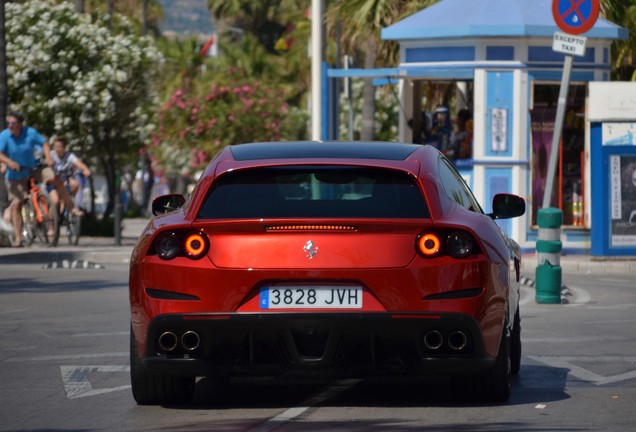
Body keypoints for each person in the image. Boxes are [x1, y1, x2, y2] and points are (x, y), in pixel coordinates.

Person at [0, 112, 83, 247]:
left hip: (33, 167)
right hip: (16, 173)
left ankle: (71, 208)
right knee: (16, 205)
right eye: (8, 123)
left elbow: (44, 142)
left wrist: (48, 157)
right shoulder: (4, 136)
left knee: (54, 178)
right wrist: (9, 162)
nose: (10, 125)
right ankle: (18, 238)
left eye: (13, 123)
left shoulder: (30, 132)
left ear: (20, 124)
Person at [48, 136, 92, 211]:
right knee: (56, 202)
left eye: (59, 147)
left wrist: (86, 169)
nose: (57, 149)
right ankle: (53, 220)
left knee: (75, 184)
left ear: (64, 148)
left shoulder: (69, 156)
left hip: (65, 180)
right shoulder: (51, 155)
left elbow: (79, 163)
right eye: (55, 147)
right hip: (54, 181)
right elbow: (46, 162)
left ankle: (68, 200)